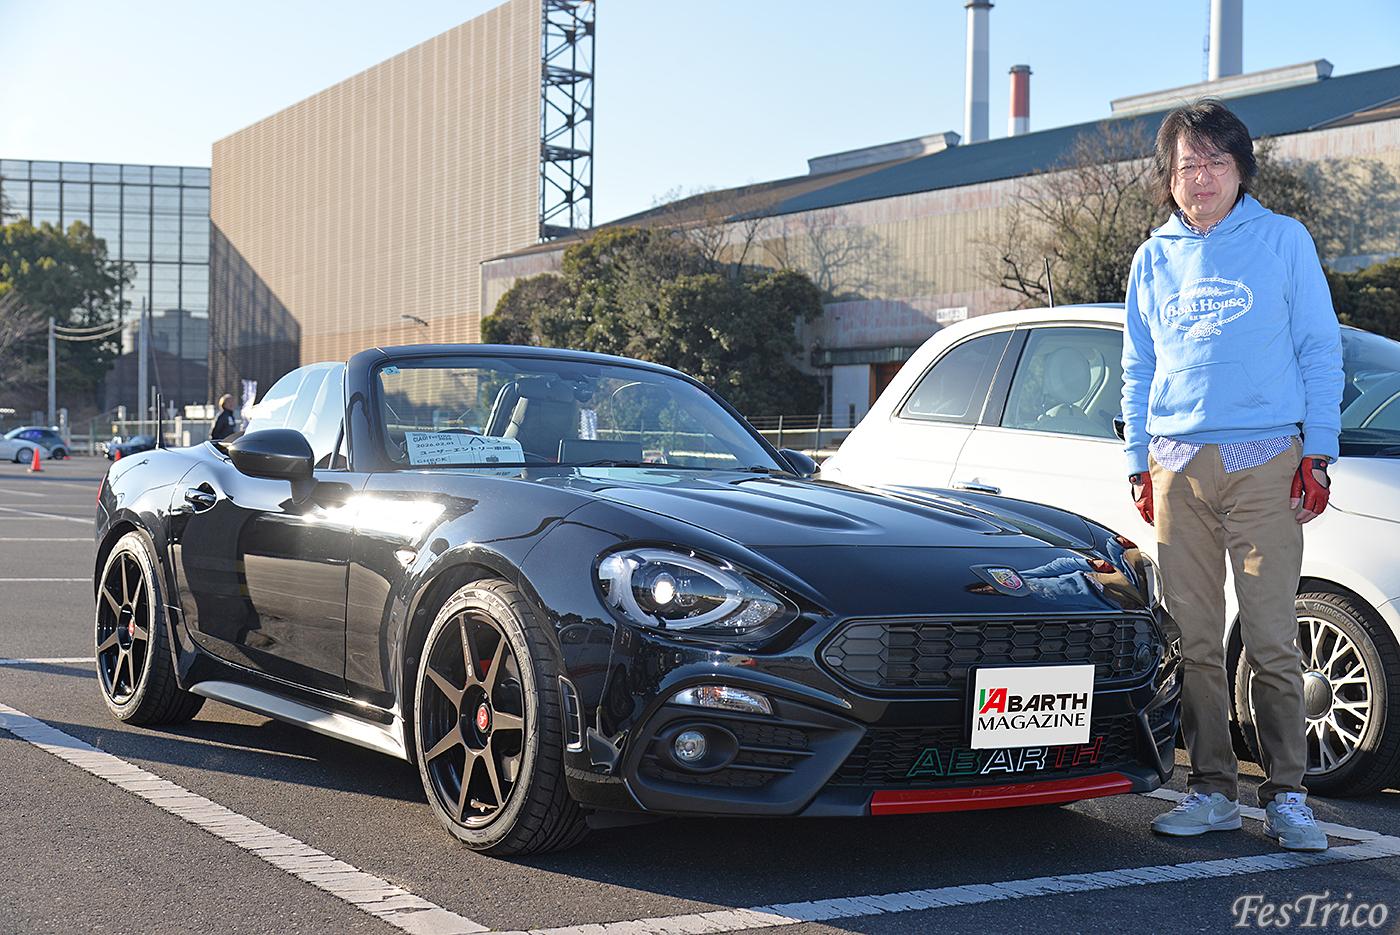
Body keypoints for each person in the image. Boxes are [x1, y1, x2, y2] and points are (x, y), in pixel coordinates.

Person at [1120, 99, 1342, 852]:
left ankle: (1288, 796)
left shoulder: (1284, 240)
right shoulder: (1152, 259)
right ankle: (1211, 788)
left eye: (1217, 161)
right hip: (1176, 465)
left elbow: (1319, 348)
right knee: (1194, 641)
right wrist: (1137, 461)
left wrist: (1318, 451)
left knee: (1273, 640)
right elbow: (1137, 367)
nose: (1202, 176)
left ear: (1241, 169)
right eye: (1188, 164)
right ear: (1170, 177)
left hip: (1266, 460)